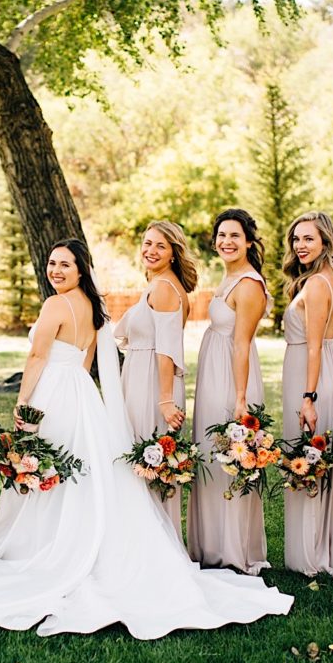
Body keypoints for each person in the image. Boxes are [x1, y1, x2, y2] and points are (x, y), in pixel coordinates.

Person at [0, 239, 293, 639]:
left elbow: (36, 357)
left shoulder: (56, 305)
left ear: (80, 270)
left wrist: (24, 402)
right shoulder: (91, 307)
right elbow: (84, 362)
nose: (56, 271)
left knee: (51, 470)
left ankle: (49, 547)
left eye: (65, 265)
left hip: (53, 390)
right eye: (52, 263)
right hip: (81, 394)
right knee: (78, 473)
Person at [187, 209, 273, 575]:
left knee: (229, 458)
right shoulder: (228, 278)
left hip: (231, 377)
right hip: (213, 373)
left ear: (249, 241)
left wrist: (240, 398)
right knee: (210, 457)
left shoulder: (250, 284)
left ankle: (234, 549)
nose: (226, 241)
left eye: (235, 235)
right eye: (221, 235)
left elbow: (242, 343)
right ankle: (210, 546)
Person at [280, 212, 333, 577]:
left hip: (314, 374)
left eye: (309, 238)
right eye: (296, 239)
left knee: (309, 458)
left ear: (325, 240)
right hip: (332, 366)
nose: (300, 245)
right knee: (321, 460)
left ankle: (310, 556)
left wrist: (308, 396)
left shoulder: (315, 286)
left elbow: (313, 347)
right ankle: (322, 550)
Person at [114, 221, 196, 536]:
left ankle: (154, 543)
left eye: (160, 246)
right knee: (143, 463)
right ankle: (144, 539)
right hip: (140, 375)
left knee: (147, 461)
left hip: (151, 383)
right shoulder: (159, 283)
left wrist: (164, 400)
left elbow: (166, 350)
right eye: (147, 243)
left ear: (174, 253)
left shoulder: (164, 288)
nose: (151, 250)